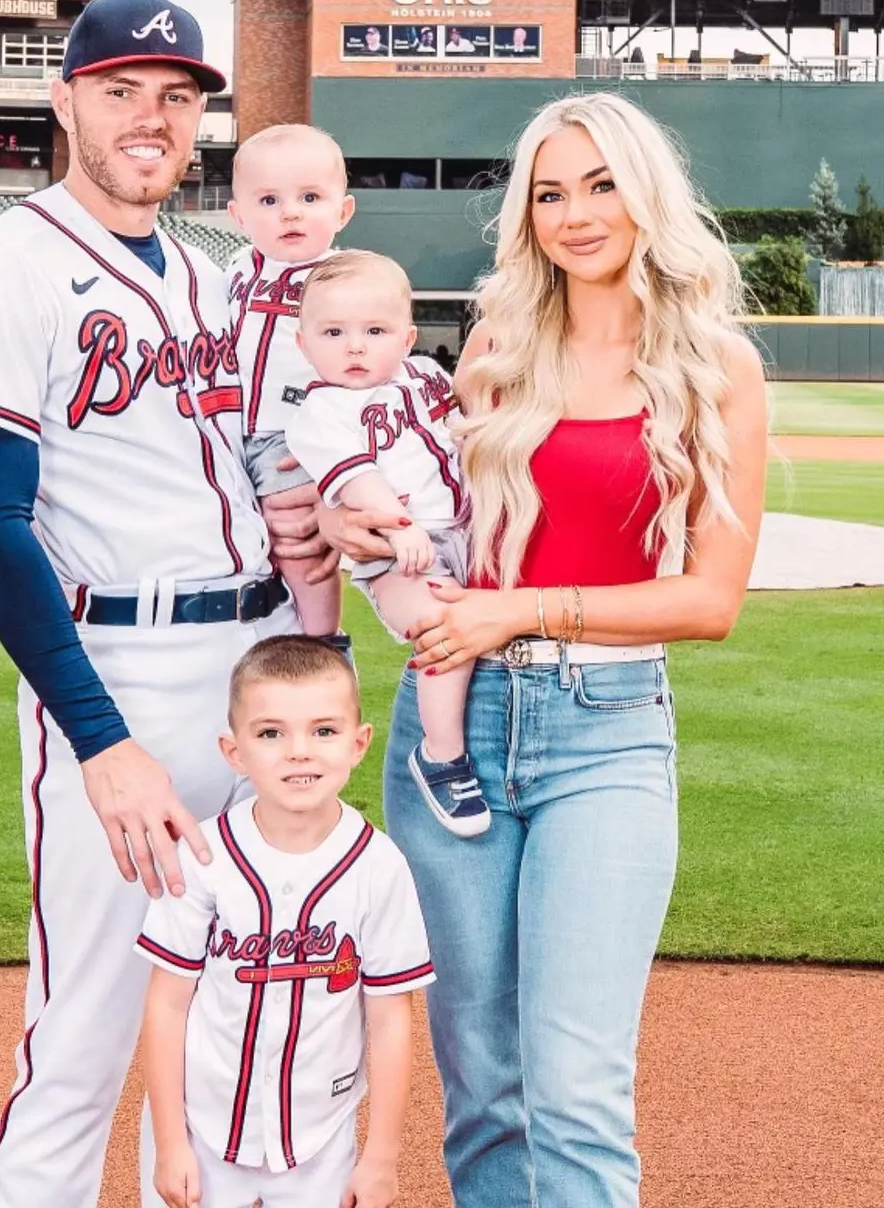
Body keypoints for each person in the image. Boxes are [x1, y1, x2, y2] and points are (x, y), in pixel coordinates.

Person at [0, 0, 332, 1208]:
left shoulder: (209, 280)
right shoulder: (7, 266)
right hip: (126, 676)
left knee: (226, 1037)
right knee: (87, 1039)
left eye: (177, 94)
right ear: (66, 102)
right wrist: (100, 743)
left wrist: (309, 532)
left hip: (256, 662)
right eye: (121, 91)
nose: (152, 118)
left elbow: (255, 455)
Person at [320, 92, 767, 1206]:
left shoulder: (718, 365)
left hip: (606, 731)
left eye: (600, 185)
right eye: (550, 192)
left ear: (645, 194)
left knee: (572, 1090)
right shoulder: (496, 351)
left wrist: (523, 612)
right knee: (484, 1093)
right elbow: (430, 519)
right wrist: (354, 521)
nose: (576, 215)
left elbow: (709, 600)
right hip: (454, 726)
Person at [139, 635, 434, 1208]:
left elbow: (392, 1018)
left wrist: (382, 1158)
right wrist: (169, 1144)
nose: (299, 751)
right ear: (234, 751)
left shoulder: (379, 866)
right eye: (271, 733)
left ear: (358, 743)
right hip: (202, 1132)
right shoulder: (205, 856)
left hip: (321, 1140)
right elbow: (165, 1004)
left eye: (324, 731)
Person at [286, 251, 490, 838]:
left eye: (373, 332)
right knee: (443, 633)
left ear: (407, 337)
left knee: (482, 621)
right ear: (304, 345)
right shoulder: (320, 411)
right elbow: (358, 482)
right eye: (333, 332)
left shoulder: (425, 376)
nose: (354, 347)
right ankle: (443, 756)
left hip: (463, 533)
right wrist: (403, 530)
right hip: (392, 554)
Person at [226, 124, 354, 641]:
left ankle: (324, 643)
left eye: (309, 197)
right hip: (229, 433)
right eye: (269, 199)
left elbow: (375, 366)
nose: (291, 212)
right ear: (238, 216)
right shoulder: (234, 269)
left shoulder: (344, 278)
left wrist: (338, 441)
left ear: (342, 211)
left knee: (299, 547)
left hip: (296, 439)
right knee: (244, 547)